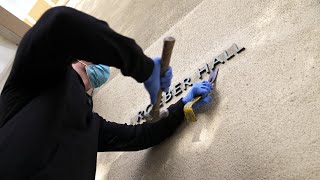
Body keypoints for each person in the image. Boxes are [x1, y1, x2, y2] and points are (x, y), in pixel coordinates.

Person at [0, 6, 213, 180]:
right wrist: (145, 69)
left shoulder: (92, 125)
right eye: (94, 59)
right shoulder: (31, 81)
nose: (98, 70)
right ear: (75, 59)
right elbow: (60, 23)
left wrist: (184, 102)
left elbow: (142, 135)